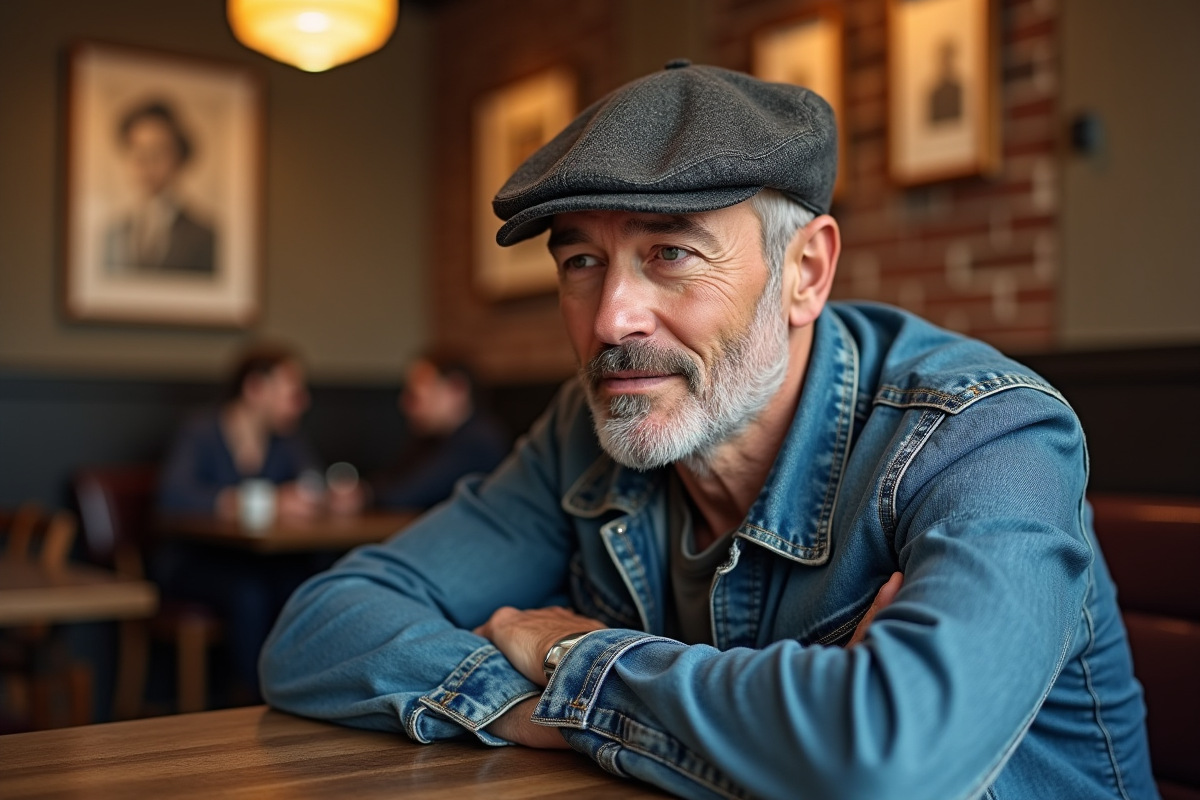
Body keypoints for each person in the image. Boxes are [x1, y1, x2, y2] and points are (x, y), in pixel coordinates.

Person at [261, 63, 1155, 800]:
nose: (612, 317)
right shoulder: (585, 431)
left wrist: (573, 656)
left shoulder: (988, 435)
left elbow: (889, 757)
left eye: (671, 253)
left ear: (805, 272)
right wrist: (538, 708)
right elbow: (316, 630)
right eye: (581, 261)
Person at [158, 344, 357, 703]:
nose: (302, 402)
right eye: (292, 392)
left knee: (308, 582)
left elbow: (309, 483)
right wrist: (264, 500)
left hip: (260, 560)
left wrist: (329, 495)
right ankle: (254, 702)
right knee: (249, 593)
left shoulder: (286, 439)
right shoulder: (201, 431)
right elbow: (173, 496)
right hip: (196, 563)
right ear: (255, 389)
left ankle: (307, 694)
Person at [373, 351, 509, 510]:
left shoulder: (476, 442)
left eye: (416, 395)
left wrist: (365, 495)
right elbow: (392, 478)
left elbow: (405, 496)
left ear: (456, 389)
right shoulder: (433, 439)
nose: (405, 405)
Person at [106, 100, 216, 275]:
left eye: (157, 151)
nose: (146, 162)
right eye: (138, 150)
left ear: (179, 158)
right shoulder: (113, 232)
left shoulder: (205, 235)